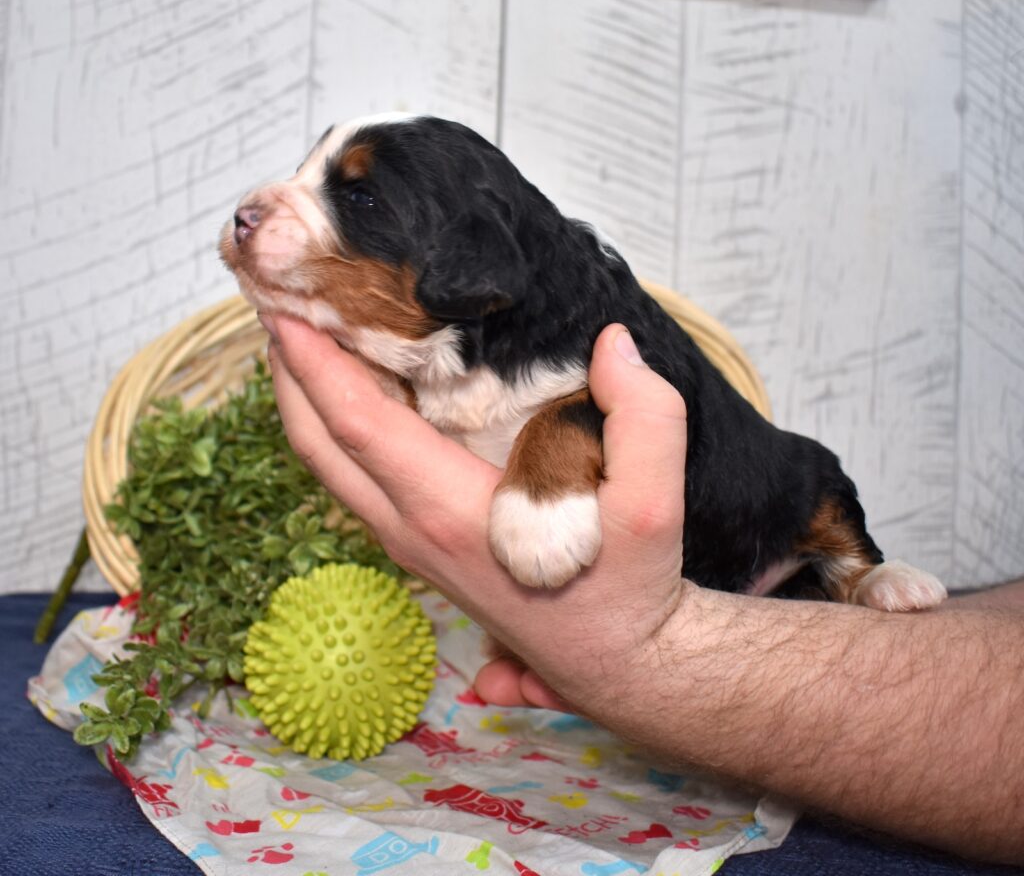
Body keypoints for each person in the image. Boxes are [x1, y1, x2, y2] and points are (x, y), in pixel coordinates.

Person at [261, 313, 1024, 865]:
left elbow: (584, 417)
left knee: (812, 482)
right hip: (684, 614)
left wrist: (648, 654)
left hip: (769, 536)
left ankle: (858, 568)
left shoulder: (564, 338)